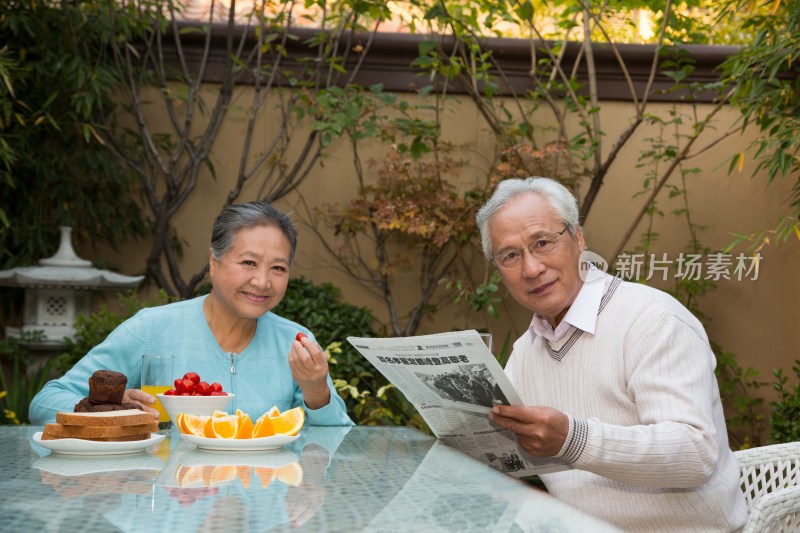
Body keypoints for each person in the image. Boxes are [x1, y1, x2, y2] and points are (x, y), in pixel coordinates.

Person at [476, 177, 747, 532]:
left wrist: (573, 439)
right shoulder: (525, 352)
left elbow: (695, 452)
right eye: (510, 255)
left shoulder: (652, 319)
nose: (531, 269)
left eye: (542, 242)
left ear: (578, 238)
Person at [30, 202, 353, 427]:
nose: (262, 281)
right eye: (248, 262)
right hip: (170, 513)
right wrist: (111, 409)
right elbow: (46, 402)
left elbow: (336, 445)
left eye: (278, 268)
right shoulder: (151, 327)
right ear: (213, 263)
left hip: (265, 512)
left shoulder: (294, 342)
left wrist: (316, 391)